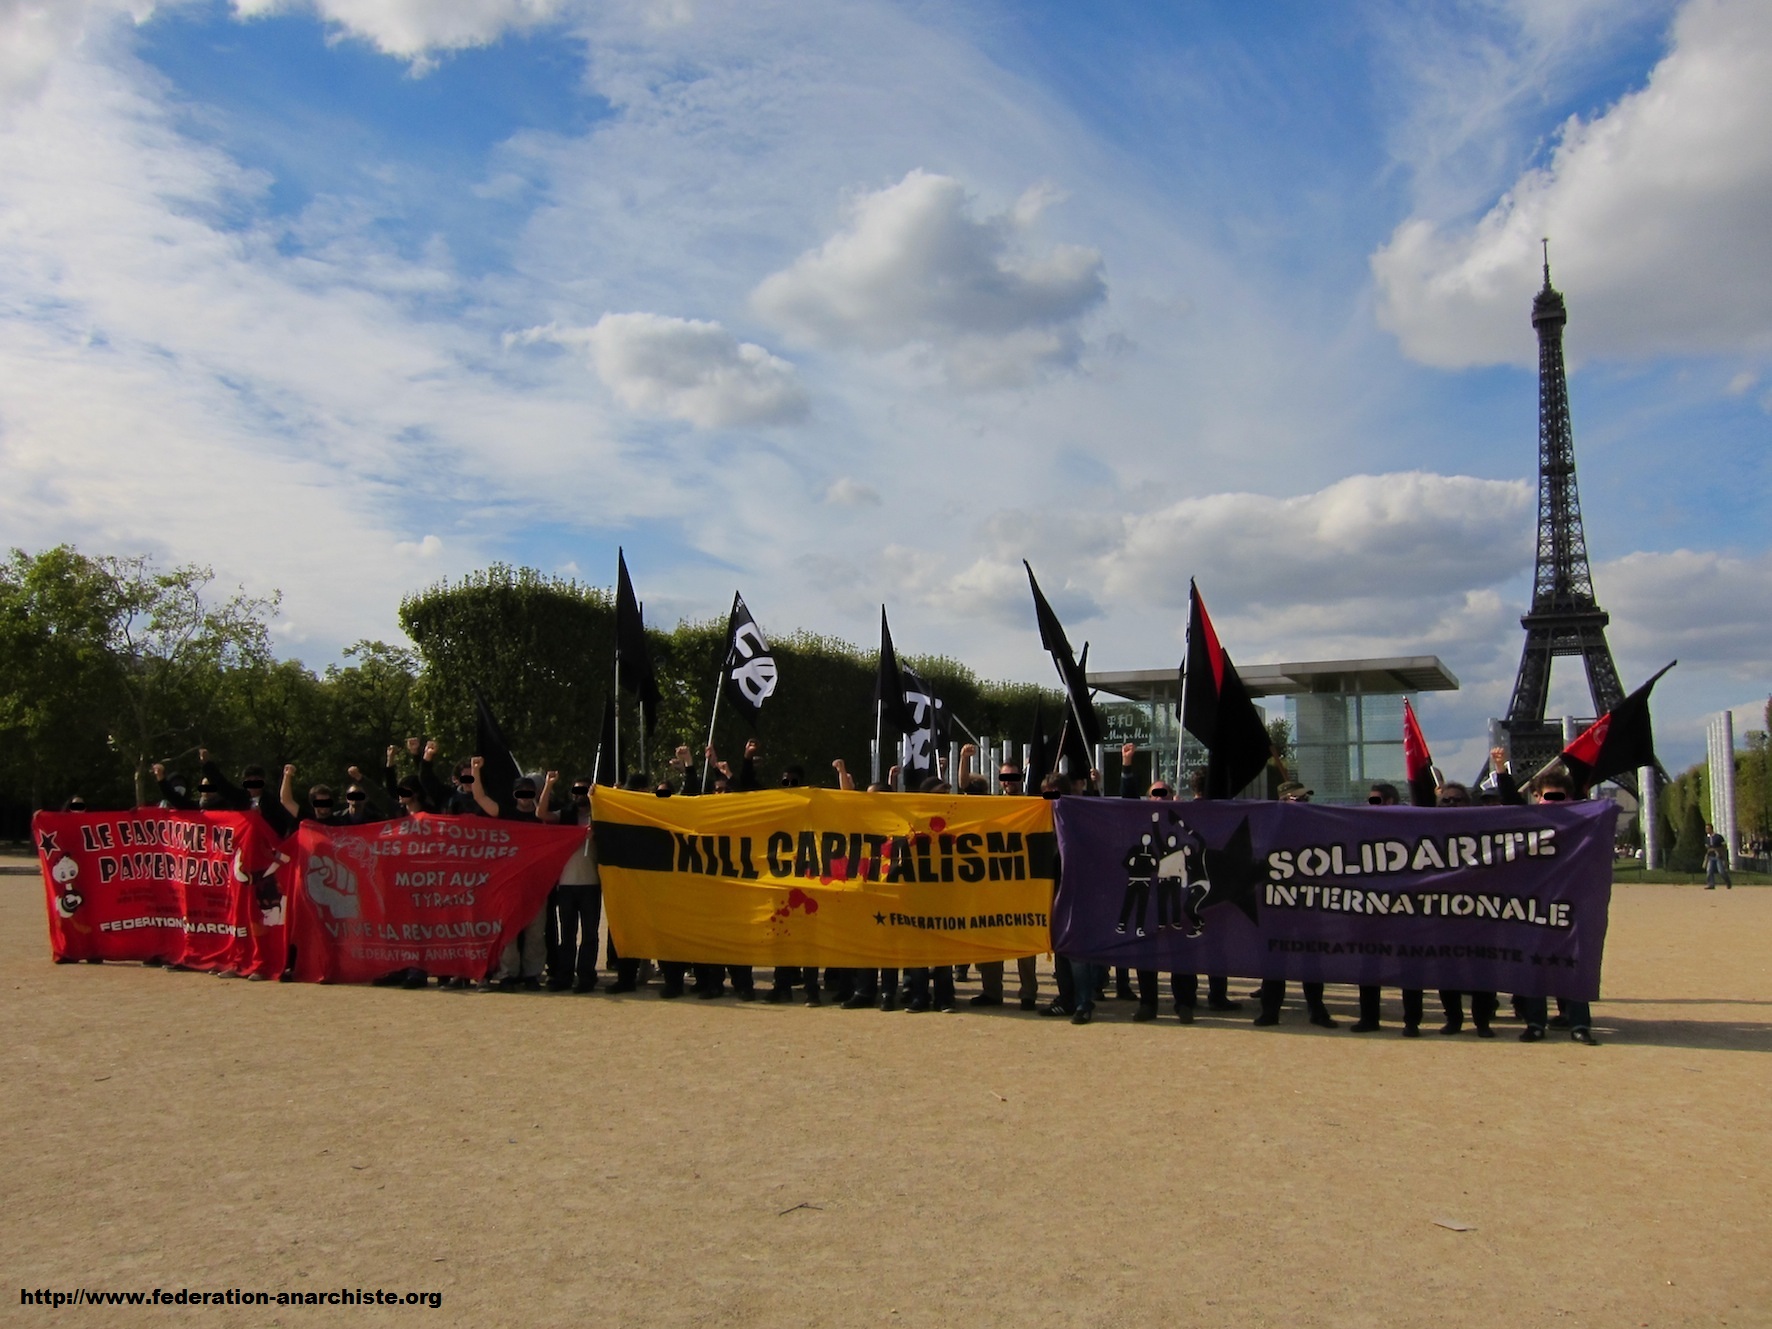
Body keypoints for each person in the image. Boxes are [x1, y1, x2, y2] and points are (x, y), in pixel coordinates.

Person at [1513, 764, 1597, 1045]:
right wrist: (1501, 771)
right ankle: (1536, 1022)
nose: (1553, 802)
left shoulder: (1581, 824)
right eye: (1548, 796)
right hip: (1534, 906)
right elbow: (1508, 806)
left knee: (1572, 965)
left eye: (1559, 797)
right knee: (1534, 967)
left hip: (1570, 905)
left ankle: (1578, 1023)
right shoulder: (1526, 822)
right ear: (1537, 797)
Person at [1352, 781, 1424, 1038]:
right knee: (1369, 964)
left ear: (1391, 802)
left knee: (1409, 966)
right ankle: (1369, 1017)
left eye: (1376, 800)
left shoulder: (1411, 825)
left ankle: (1412, 1021)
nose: (1370, 806)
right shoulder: (1363, 828)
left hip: (1405, 908)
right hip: (1372, 907)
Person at [974, 747, 1041, 1011]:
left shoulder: (1033, 804)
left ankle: (1028, 993)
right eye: (1005, 778)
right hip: (995, 882)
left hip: (1023, 882)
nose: (1008, 782)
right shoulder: (992, 805)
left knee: (1024, 939)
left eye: (1013, 778)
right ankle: (991, 991)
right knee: (992, 938)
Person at [1704, 824, 1732, 889]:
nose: (1706, 830)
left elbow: (1724, 845)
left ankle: (1728, 882)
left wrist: (1718, 850)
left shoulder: (1718, 837)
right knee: (1709, 871)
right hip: (1711, 856)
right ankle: (1711, 884)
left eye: (1708, 828)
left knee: (1721, 871)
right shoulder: (1707, 838)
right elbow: (1706, 846)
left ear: (1711, 829)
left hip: (1718, 856)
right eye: (1706, 829)